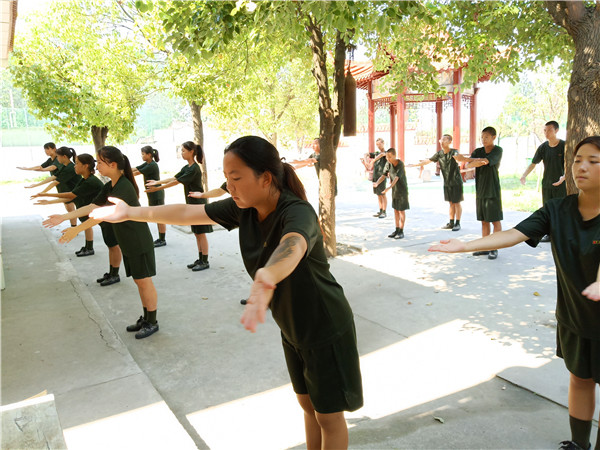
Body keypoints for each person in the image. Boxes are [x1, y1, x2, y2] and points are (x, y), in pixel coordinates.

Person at [91, 135, 363, 449]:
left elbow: (294, 244)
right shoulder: (244, 208)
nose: (229, 187)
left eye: (236, 178)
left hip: (325, 326)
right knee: (307, 405)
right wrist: (129, 212)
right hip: (293, 327)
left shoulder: (296, 211)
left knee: (329, 417)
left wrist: (267, 275)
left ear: (265, 178)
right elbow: (187, 213)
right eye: (226, 179)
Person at [429, 136, 600, 450]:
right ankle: (579, 444)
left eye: (593, 161)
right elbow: (513, 234)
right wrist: (465, 245)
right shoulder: (557, 210)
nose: (582, 167)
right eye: (577, 160)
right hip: (575, 317)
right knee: (579, 378)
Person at [44, 146, 159, 338]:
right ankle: (147, 318)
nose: (96, 166)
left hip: (137, 240)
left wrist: (76, 229)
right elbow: (92, 206)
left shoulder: (123, 187)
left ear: (112, 164)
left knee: (144, 282)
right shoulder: (111, 185)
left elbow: (103, 215)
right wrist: (64, 217)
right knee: (139, 281)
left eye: (99, 162)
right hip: (128, 240)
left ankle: (152, 321)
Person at [145, 141, 213, 271]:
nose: (181, 153)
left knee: (200, 233)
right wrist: (157, 182)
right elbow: (174, 178)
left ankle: (205, 261)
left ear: (191, 152)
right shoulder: (187, 167)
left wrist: (157, 188)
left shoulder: (194, 169)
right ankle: (200, 259)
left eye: (183, 151)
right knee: (197, 233)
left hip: (198, 205)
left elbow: (176, 182)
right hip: (192, 204)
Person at [31, 153, 103, 257]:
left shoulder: (90, 181)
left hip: (100, 211)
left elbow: (70, 195)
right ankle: (88, 247)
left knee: (112, 244)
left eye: (77, 163)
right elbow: (72, 197)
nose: (75, 166)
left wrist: (46, 194)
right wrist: (48, 201)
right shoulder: (84, 179)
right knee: (86, 223)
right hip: (87, 206)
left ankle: (90, 248)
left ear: (85, 166)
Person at [455, 126, 503, 260]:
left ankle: (494, 248)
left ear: (493, 137)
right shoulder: (478, 151)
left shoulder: (497, 150)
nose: (483, 139)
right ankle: (485, 247)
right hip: (480, 191)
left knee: (495, 221)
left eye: (486, 137)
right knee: (484, 221)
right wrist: (470, 161)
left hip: (492, 191)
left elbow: (485, 161)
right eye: (482, 137)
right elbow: (469, 166)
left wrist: (466, 159)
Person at [520, 121, 567, 243]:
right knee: (547, 210)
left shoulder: (564, 145)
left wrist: (564, 177)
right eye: (545, 130)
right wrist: (524, 175)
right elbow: (533, 163)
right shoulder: (543, 147)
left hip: (561, 184)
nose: (546, 133)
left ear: (556, 130)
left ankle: (561, 235)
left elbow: (570, 164)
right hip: (547, 184)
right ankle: (549, 234)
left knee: (560, 210)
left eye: (549, 130)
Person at [407, 134, 464, 231]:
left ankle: (457, 223)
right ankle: (451, 222)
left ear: (450, 142)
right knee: (451, 203)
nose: (441, 141)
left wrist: (459, 158)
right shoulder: (439, 154)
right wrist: (415, 165)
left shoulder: (454, 152)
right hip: (447, 182)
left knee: (456, 202)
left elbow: (459, 158)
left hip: (456, 182)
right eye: (441, 140)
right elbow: (428, 161)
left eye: (444, 140)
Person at [25, 146, 80, 227]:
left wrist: (42, 193)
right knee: (71, 210)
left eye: (58, 156)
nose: (57, 159)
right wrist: (36, 185)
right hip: (70, 191)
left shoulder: (70, 167)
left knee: (75, 212)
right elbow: (53, 177)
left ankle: (74, 228)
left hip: (76, 192)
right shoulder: (65, 166)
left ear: (64, 157)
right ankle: (74, 228)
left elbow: (55, 182)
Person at [132, 146, 167, 247]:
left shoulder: (152, 165)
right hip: (152, 193)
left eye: (143, 154)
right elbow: (135, 168)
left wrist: (122, 173)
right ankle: (161, 238)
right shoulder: (147, 163)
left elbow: (136, 173)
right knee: (157, 217)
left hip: (157, 194)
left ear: (149, 155)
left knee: (160, 217)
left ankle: (162, 239)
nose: (142, 156)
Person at [375, 148, 409, 239]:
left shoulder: (400, 164)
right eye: (387, 157)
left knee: (401, 210)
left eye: (390, 157)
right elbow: (384, 175)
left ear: (395, 155)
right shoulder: (388, 163)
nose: (388, 159)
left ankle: (401, 231)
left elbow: (396, 178)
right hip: (395, 190)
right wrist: (377, 183)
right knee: (395, 210)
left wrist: (389, 187)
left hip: (402, 190)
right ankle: (396, 229)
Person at [371, 138, 388, 218]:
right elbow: (367, 154)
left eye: (379, 144)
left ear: (383, 143)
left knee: (383, 194)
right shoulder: (376, 153)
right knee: (378, 194)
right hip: (375, 176)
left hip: (382, 176)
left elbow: (382, 155)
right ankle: (380, 210)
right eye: (377, 144)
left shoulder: (386, 153)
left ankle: (384, 211)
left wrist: (374, 160)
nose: (378, 146)